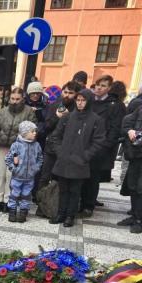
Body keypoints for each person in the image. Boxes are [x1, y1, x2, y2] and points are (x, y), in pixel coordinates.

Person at [48, 89, 107, 227]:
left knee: (75, 191)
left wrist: (86, 156)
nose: (80, 103)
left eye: (83, 100)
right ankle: (60, 213)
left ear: (89, 101)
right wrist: (60, 152)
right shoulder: (67, 117)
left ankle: (70, 216)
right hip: (64, 160)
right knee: (63, 189)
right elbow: (55, 136)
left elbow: (99, 141)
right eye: (78, 100)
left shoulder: (96, 119)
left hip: (80, 162)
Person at [78, 75, 126, 217]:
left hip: (100, 147)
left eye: (103, 86)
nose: (99, 88)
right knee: (81, 175)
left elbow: (115, 129)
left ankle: (88, 205)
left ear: (109, 88)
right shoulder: (90, 101)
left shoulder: (115, 105)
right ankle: (79, 202)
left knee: (93, 178)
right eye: (98, 85)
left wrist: (105, 146)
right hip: (83, 145)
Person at [0, 87, 37, 213]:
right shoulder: (2, 111)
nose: (14, 101)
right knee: (0, 173)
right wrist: (0, 136)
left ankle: (9, 200)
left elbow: (33, 131)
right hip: (1, 146)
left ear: (22, 99)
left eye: (17, 99)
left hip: (18, 148)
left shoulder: (29, 112)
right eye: (12, 99)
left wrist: (19, 140)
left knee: (12, 175)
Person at [38, 81, 81, 192]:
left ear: (76, 94)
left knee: (61, 178)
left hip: (68, 148)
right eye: (65, 92)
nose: (67, 95)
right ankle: (40, 199)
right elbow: (46, 127)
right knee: (45, 176)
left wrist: (68, 118)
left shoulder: (78, 109)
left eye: (70, 93)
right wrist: (57, 117)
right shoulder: (54, 106)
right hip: (51, 147)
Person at [5, 121, 43, 223]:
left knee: (26, 195)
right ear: (25, 133)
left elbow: (40, 158)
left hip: (30, 177)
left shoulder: (37, 145)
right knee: (14, 194)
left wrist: (36, 168)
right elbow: (8, 159)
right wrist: (14, 169)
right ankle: (12, 211)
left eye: (35, 131)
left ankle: (23, 212)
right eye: (32, 131)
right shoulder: (16, 145)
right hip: (17, 177)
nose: (35, 133)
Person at [119, 105, 142, 233]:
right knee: (133, 186)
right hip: (136, 155)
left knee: (140, 188)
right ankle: (134, 215)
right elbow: (127, 122)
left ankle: (139, 220)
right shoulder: (140, 109)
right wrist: (129, 131)